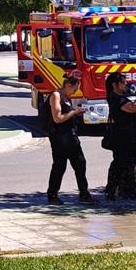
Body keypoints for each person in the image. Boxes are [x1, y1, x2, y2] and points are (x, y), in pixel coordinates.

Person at [42, 73, 93, 205]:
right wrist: (74, 112)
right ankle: (52, 194)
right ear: (68, 85)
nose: (75, 92)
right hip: (59, 137)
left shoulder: (66, 97)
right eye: (74, 89)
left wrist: (76, 113)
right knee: (60, 165)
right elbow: (57, 118)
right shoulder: (56, 96)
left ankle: (84, 193)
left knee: (80, 163)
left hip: (70, 135)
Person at [104, 72, 136, 200]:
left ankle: (124, 190)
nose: (126, 84)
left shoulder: (119, 97)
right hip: (122, 137)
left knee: (128, 163)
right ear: (115, 85)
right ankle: (116, 190)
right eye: (123, 82)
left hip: (127, 135)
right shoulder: (117, 99)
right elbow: (133, 108)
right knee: (121, 163)